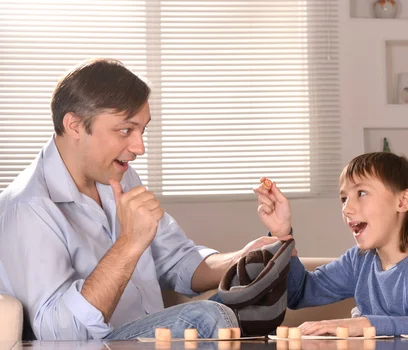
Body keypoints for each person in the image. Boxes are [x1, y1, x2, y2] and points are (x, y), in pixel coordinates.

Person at [0, 58, 283, 340]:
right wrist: (129, 243)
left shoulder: (118, 174)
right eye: (126, 130)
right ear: (74, 125)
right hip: (88, 345)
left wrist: (244, 257)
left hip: (149, 338)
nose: (139, 147)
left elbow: (176, 260)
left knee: (247, 304)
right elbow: (60, 334)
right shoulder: (27, 207)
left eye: (142, 130)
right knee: (208, 317)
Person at [253, 152, 408, 336]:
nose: (346, 209)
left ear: (402, 202)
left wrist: (365, 324)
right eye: (344, 198)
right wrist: (281, 234)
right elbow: (300, 293)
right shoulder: (359, 260)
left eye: (361, 193)